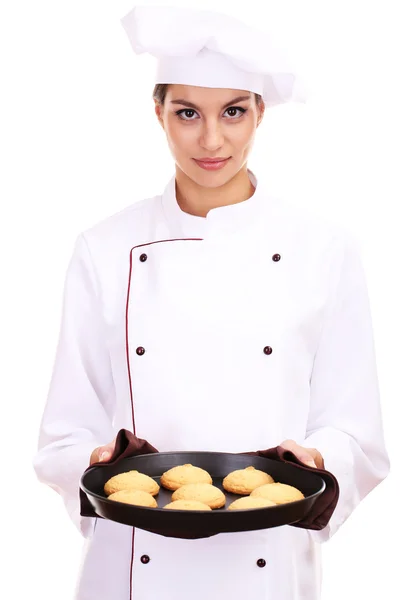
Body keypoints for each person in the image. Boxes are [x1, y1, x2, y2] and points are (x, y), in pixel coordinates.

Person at [33, 5, 390, 600]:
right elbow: (62, 434)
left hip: (268, 564)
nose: (211, 139)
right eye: (187, 113)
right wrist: (96, 458)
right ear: (158, 112)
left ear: (260, 113)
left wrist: (317, 458)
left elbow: (359, 435)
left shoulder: (323, 250)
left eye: (232, 112)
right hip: (131, 568)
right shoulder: (105, 249)